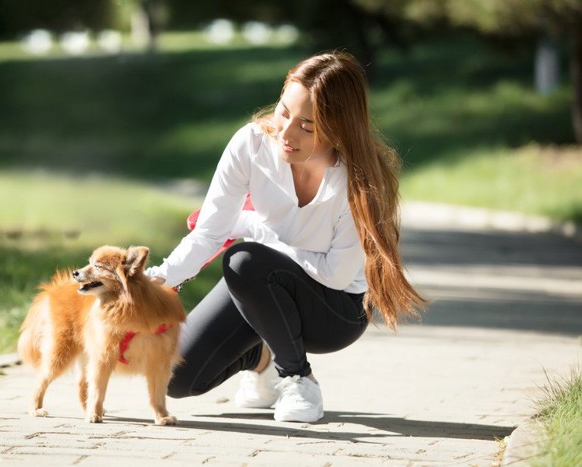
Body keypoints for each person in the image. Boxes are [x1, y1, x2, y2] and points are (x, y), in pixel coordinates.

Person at [146, 51, 426, 423]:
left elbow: (335, 275)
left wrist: (250, 227)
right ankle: (260, 360)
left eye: (307, 126)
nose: (286, 132)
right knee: (176, 377)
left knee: (244, 260)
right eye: (283, 112)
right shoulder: (251, 145)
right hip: (264, 289)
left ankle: (297, 378)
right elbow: (209, 233)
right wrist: (159, 278)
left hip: (335, 311)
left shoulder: (358, 180)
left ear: (338, 128)